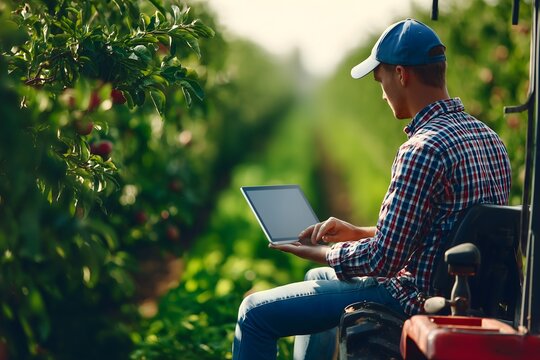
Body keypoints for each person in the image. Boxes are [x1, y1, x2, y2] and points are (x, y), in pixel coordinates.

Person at [232, 18, 511, 360]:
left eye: (380, 79)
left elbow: (383, 260)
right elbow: (446, 229)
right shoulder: (490, 138)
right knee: (315, 275)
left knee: (253, 314)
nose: (381, 93)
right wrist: (357, 232)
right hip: (462, 292)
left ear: (401, 75)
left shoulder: (422, 148)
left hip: (413, 296)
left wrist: (321, 251)